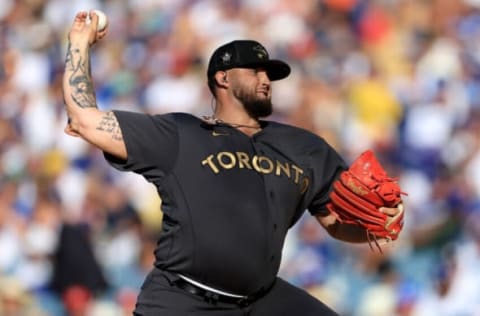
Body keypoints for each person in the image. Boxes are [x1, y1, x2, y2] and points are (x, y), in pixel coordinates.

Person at [63, 11, 404, 316]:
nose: (266, 79)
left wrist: (376, 226)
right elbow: (84, 119)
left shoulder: (304, 147)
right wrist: (79, 42)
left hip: (260, 298)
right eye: (255, 71)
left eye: (269, 73)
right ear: (223, 78)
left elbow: (333, 223)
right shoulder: (181, 134)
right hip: (183, 299)